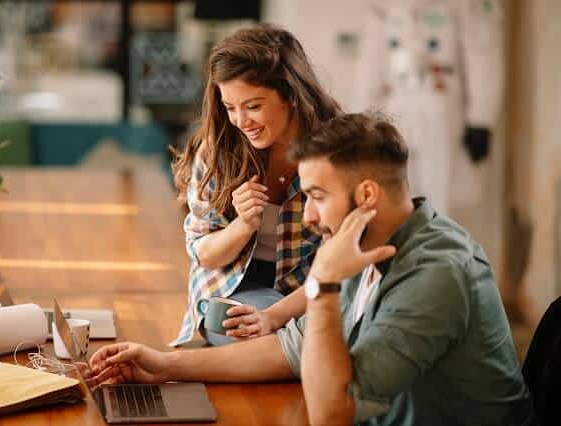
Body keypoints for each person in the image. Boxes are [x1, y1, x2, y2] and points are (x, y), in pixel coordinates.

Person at [89, 113, 535, 425]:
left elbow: (332, 413)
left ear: (365, 197)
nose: (308, 217)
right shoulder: (371, 238)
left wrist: (321, 289)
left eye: (317, 196)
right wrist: (164, 366)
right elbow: (288, 350)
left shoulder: (436, 274)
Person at [170, 23, 342, 346]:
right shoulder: (219, 149)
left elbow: (339, 262)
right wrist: (244, 225)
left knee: (317, 333)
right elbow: (203, 252)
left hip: (309, 290)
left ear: (290, 94)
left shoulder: (335, 151)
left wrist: (282, 314)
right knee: (279, 337)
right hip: (231, 289)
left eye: (253, 106)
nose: (240, 121)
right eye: (230, 107)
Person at [354, 0, 504, 214]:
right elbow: (370, 65)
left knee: (441, 196)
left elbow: (481, 53)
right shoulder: (382, 6)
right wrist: (361, 125)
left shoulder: (466, 5)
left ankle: (441, 243)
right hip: (396, 98)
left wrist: (481, 118)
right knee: (394, 195)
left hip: (440, 100)